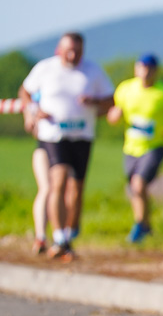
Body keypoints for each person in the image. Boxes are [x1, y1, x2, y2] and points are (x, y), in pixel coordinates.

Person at [18, 32, 114, 261]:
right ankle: (59, 237)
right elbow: (25, 92)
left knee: (76, 188)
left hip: (82, 135)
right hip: (53, 134)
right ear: (58, 50)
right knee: (57, 179)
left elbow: (110, 99)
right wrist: (31, 113)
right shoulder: (45, 69)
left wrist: (94, 102)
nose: (73, 55)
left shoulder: (92, 71)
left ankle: (68, 236)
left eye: (78, 51)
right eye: (69, 50)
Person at [107, 53, 163, 243]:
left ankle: (139, 226)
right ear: (136, 69)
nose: (145, 72)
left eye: (149, 69)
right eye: (142, 68)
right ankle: (145, 224)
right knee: (134, 188)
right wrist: (114, 115)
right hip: (131, 147)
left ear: (155, 71)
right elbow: (113, 113)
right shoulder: (125, 89)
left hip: (155, 146)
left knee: (138, 184)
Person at [23, 92, 51, 254]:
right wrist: (35, 117)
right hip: (44, 148)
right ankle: (40, 236)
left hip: (69, 148)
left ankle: (62, 235)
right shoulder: (37, 96)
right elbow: (30, 127)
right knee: (46, 189)